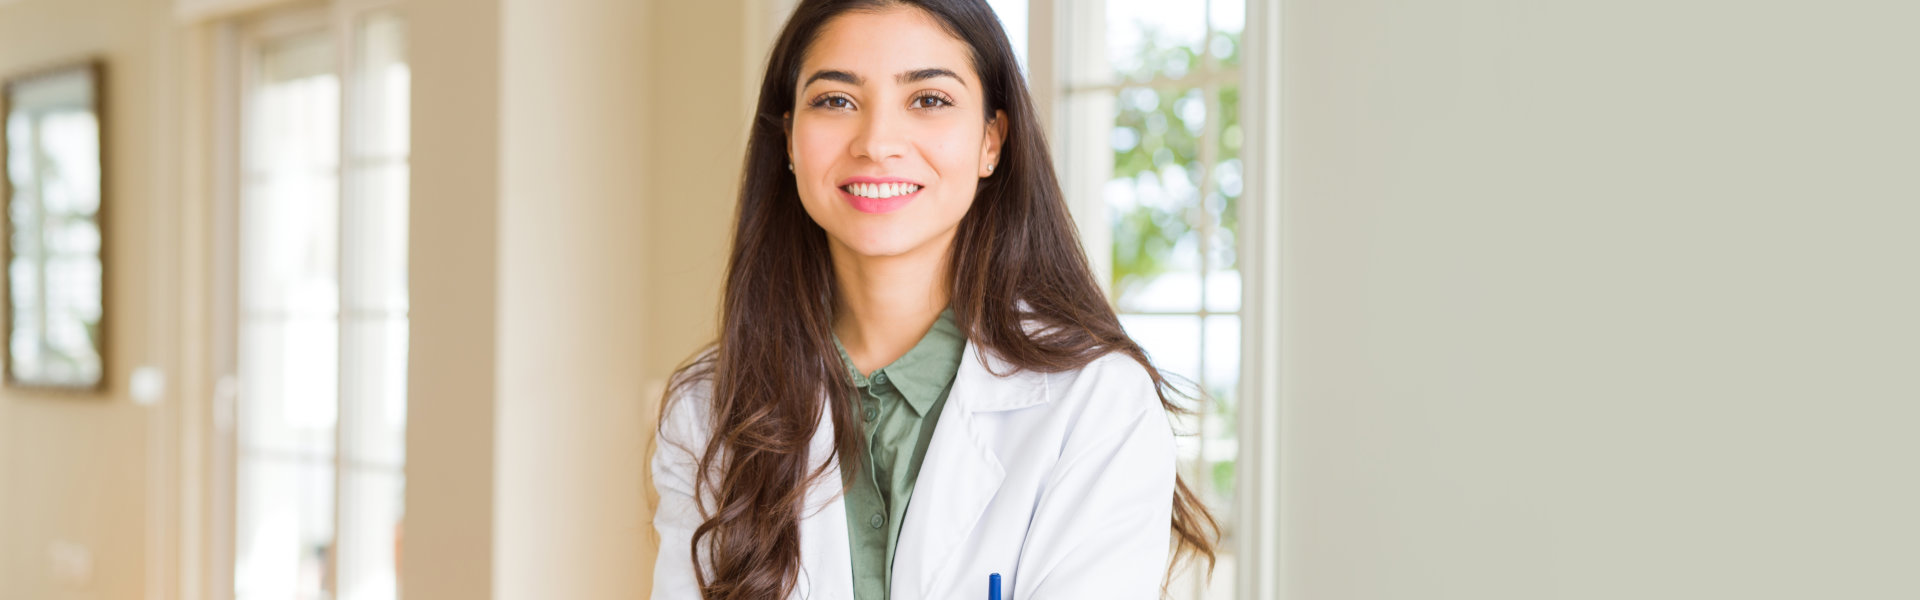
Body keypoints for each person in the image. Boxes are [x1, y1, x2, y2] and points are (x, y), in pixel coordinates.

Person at [650, 1, 1217, 598]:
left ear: (991, 141)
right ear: (789, 138)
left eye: (928, 100)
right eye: (836, 100)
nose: (877, 143)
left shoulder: (1097, 403)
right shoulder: (709, 409)